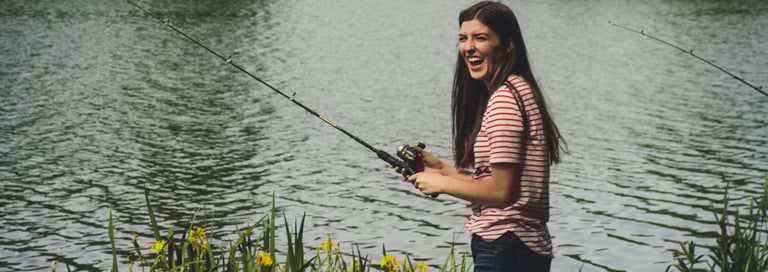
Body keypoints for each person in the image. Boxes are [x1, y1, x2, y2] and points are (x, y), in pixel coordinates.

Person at [403, 1, 565, 271]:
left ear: (508, 44)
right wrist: (440, 169)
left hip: (505, 247)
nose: (468, 47)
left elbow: (501, 192)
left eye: (480, 38)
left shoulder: (505, 102)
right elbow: (496, 181)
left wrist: (441, 184)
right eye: (463, 38)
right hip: (516, 247)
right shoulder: (518, 89)